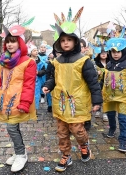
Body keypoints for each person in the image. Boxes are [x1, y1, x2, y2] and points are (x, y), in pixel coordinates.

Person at [42, 17, 103, 172]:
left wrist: (97, 101)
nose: (66, 43)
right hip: (61, 103)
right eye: (63, 40)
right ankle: (66, 155)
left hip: (77, 103)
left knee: (77, 130)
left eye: (69, 39)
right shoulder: (56, 61)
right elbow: (53, 78)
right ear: (59, 43)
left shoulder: (84, 61)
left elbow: (93, 82)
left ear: (75, 42)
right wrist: (48, 86)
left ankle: (84, 145)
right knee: (62, 132)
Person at [0, 25, 37, 173]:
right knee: (12, 128)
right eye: (8, 42)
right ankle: (19, 152)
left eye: (13, 41)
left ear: (21, 43)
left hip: (19, 102)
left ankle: (21, 154)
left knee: (12, 128)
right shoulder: (3, 62)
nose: (10, 44)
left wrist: (25, 102)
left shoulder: (28, 62)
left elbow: (29, 84)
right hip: (5, 102)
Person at [101, 37, 126, 152]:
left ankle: (123, 140)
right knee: (111, 115)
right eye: (113, 52)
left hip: (123, 97)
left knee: (122, 118)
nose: (115, 54)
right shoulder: (108, 65)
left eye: (118, 52)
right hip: (109, 96)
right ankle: (112, 129)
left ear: (123, 52)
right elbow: (103, 80)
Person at [28, 44, 46, 110]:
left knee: (36, 95)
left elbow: (44, 70)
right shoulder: (28, 61)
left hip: (38, 81)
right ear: (31, 52)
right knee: (29, 94)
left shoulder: (40, 61)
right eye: (34, 50)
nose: (36, 52)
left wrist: (39, 72)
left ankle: (35, 109)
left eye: (36, 50)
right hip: (29, 80)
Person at [94, 50, 109, 121]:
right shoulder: (95, 63)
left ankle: (105, 112)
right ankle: (98, 109)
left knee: (106, 97)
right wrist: (97, 73)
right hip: (98, 83)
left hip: (107, 83)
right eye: (102, 53)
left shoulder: (109, 63)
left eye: (105, 53)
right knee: (99, 96)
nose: (103, 54)